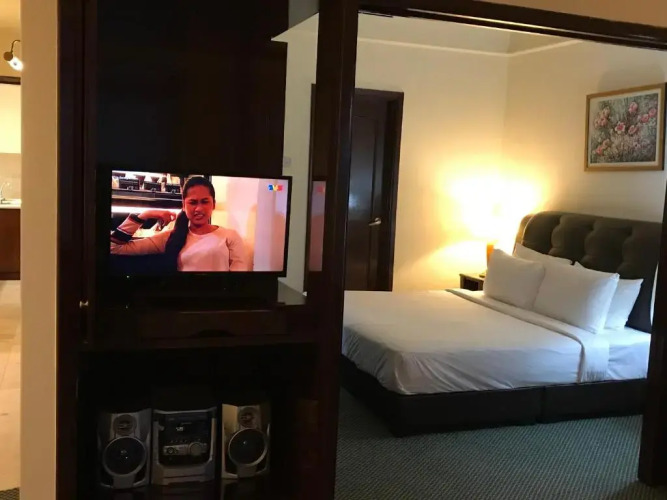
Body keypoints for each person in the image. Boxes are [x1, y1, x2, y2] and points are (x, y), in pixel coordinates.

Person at [110, 176, 249, 271]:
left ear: (213, 204)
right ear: (184, 205)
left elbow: (238, 281)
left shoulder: (230, 236)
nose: (199, 208)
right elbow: (114, 247)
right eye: (193, 202)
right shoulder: (171, 237)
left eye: (205, 202)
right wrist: (145, 214)